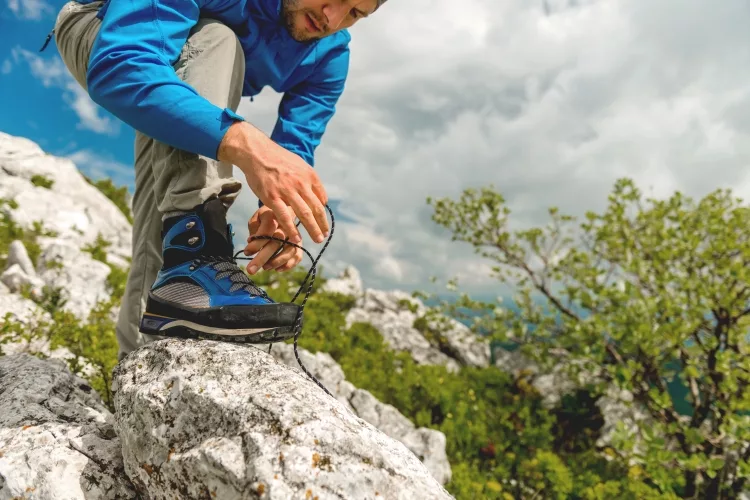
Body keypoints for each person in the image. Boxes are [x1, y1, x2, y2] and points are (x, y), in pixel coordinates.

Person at [50, 0, 386, 360]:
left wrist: (279, 208)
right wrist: (246, 144)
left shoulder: (331, 55)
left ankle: (141, 367)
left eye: (355, 14)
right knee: (220, 38)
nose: (332, 17)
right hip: (108, 30)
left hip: (185, 74)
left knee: (165, 232)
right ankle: (199, 245)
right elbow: (122, 62)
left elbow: (295, 146)